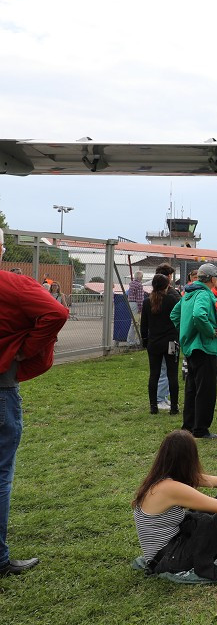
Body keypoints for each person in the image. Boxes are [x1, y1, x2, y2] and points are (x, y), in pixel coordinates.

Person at [0, 228, 69, 576]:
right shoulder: (12, 284)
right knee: (0, 473)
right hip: (1, 388)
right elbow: (56, 313)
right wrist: (26, 350)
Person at [133, 430, 217, 580]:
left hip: (176, 543)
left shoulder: (164, 476)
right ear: (188, 458)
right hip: (169, 559)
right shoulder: (170, 488)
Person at [171, 263, 217, 439]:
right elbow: (198, 315)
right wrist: (210, 331)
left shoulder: (189, 293)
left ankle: (188, 426)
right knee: (206, 390)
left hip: (191, 348)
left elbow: (175, 315)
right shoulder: (203, 294)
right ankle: (201, 429)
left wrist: (186, 331)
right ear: (211, 279)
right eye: (216, 277)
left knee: (192, 388)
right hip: (204, 347)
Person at [141, 274, 181, 416]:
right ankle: (174, 407)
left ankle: (153, 406)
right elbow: (178, 318)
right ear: (166, 286)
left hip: (154, 343)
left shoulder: (147, 302)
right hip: (171, 341)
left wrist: (145, 341)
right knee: (172, 374)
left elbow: (144, 325)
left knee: (154, 374)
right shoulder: (171, 300)